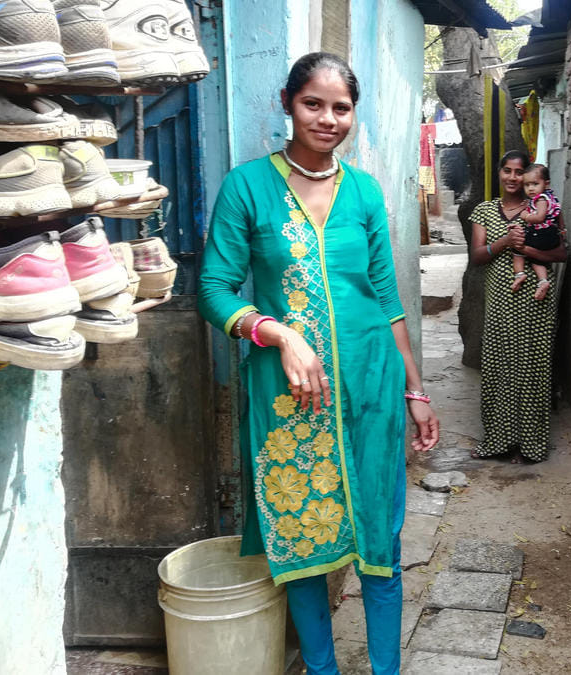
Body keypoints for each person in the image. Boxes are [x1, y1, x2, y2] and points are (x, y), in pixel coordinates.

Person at [197, 52, 439, 675]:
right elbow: (215, 287)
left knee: (379, 540)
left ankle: (387, 668)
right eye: (314, 104)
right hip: (291, 396)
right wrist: (273, 331)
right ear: (287, 102)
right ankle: (323, 669)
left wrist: (416, 392)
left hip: (371, 388)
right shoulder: (247, 187)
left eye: (341, 108)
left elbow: (387, 300)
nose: (328, 119)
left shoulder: (363, 190)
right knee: (302, 539)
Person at [468, 150, 568, 463]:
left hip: (535, 303)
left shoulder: (543, 206)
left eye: (519, 172)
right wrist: (505, 244)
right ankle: (498, 441)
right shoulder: (484, 211)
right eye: (507, 171)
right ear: (499, 173)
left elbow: (562, 255)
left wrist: (527, 250)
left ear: (529, 177)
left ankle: (531, 445)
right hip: (500, 301)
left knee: (532, 367)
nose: (513, 178)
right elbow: (477, 256)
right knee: (499, 366)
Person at [510, 163, 563, 301]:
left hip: (541, 233)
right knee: (537, 259)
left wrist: (526, 216)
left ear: (546, 184)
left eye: (535, 184)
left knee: (517, 249)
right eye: (527, 185)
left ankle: (519, 274)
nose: (531, 188)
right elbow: (559, 214)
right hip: (552, 234)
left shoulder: (540, 199)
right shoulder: (552, 197)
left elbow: (539, 218)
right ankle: (543, 281)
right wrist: (562, 230)